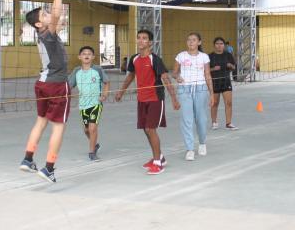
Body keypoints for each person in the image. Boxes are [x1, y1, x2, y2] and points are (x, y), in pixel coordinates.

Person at [19, 0, 72, 183]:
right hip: (56, 84)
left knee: (41, 122)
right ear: (40, 23)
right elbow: (57, 14)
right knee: (58, 126)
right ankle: (49, 168)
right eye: (45, 14)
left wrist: (58, 18)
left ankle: (27, 159)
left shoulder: (44, 35)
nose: (50, 14)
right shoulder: (48, 34)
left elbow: (59, 17)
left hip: (42, 83)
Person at [115, 29, 180, 175]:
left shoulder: (154, 59)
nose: (140, 40)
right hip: (142, 99)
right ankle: (160, 157)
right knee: (146, 130)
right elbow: (130, 77)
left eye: (144, 38)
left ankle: (158, 164)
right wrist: (121, 91)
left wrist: (174, 99)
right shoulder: (134, 59)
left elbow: (166, 78)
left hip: (155, 98)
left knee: (151, 129)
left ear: (150, 43)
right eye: (138, 38)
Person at [174, 32, 216, 161]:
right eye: (189, 40)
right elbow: (174, 72)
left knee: (201, 119)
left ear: (199, 42)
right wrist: (177, 77)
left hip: (201, 88)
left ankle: (202, 143)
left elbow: (207, 75)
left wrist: (212, 94)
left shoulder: (204, 57)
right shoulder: (181, 56)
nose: (191, 42)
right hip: (184, 89)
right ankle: (190, 149)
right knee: (187, 119)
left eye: (193, 40)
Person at [68, 46, 109, 162]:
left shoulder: (98, 70)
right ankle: (95, 144)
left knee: (92, 128)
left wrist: (104, 95)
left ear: (93, 57)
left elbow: (106, 82)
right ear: (79, 57)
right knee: (86, 130)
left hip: (96, 103)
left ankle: (92, 153)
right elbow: (69, 85)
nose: (86, 55)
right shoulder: (76, 71)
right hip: (83, 105)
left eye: (89, 54)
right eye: (84, 53)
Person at [209, 37, 237, 130]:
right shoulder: (210, 56)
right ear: (214, 45)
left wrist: (230, 66)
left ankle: (228, 123)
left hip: (226, 81)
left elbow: (234, 68)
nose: (219, 45)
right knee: (215, 103)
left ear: (224, 45)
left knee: (229, 103)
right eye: (217, 43)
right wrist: (213, 69)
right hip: (214, 82)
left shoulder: (228, 55)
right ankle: (214, 122)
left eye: (221, 44)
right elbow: (205, 70)